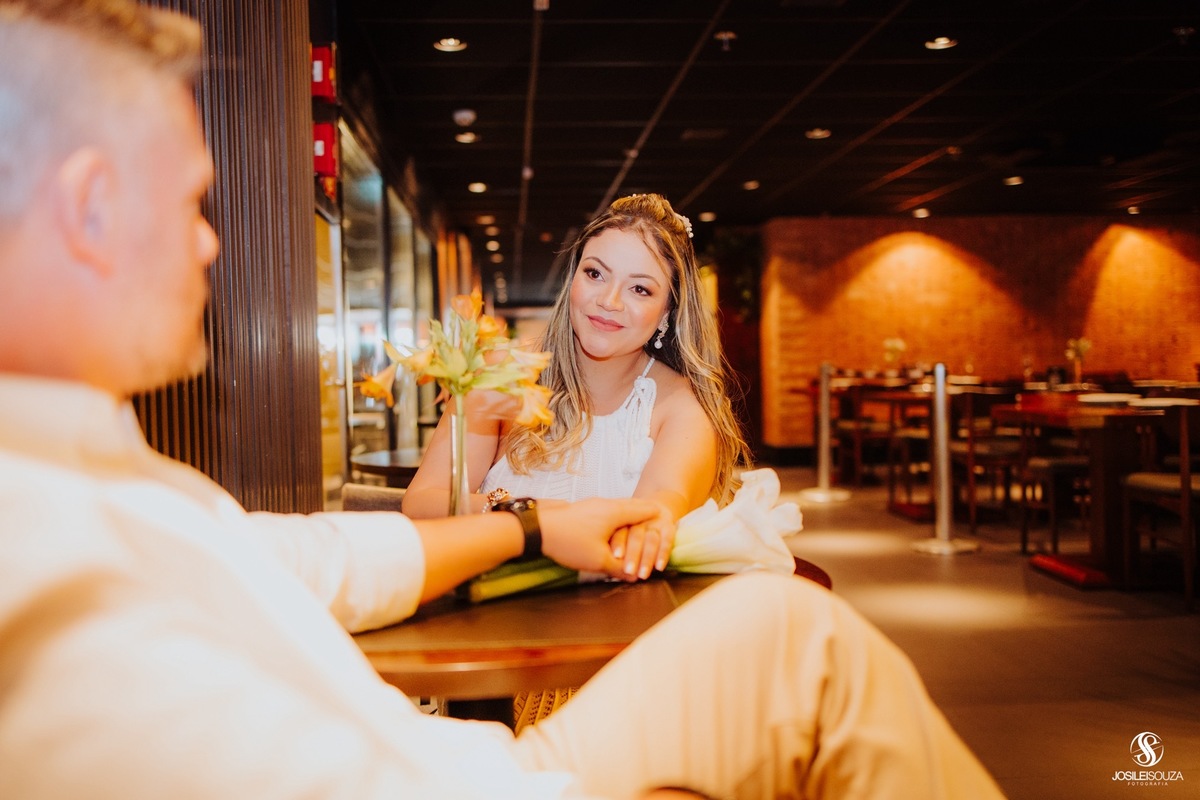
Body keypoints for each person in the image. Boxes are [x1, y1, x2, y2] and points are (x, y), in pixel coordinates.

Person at [0, 2, 1006, 798]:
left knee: (792, 631)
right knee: (809, 657)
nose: (213, 241)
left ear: (664, 314)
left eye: (640, 286)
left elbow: (331, 554)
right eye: (191, 202)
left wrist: (529, 526)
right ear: (90, 210)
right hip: (459, 771)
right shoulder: (45, 552)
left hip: (448, 739)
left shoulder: (110, 467)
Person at [403, 193, 751, 582]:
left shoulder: (680, 409)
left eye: (640, 289)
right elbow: (422, 503)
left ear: (667, 311)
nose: (609, 301)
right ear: (573, 278)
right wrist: (534, 519)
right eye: (595, 274)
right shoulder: (503, 374)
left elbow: (654, 514)